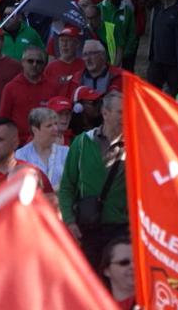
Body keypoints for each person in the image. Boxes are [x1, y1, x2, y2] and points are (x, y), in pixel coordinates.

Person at [58, 90, 128, 266]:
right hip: (88, 229)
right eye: (120, 112)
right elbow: (67, 185)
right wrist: (69, 220)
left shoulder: (135, 145)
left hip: (122, 229)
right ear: (105, 113)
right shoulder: (82, 143)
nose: (125, 116)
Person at [0, 46, 59, 143]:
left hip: (46, 142)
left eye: (39, 62)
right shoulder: (10, 88)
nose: (34, 65)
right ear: (22, 62)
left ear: (44, 65)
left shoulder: (53, 86)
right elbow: (3, 120)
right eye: (30, 61)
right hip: (19, 143)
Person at [15, 107, 68, 190]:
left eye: (56, 124)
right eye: (49, 125)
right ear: (35, 130)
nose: (55, 129)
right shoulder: (21, 155)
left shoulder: (66, 152)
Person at [101, 237, 135, 310]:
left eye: (138, 261)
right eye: (124, 262)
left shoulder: (160, 302)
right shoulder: (94, 304)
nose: (133, 266)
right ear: (107, 271)